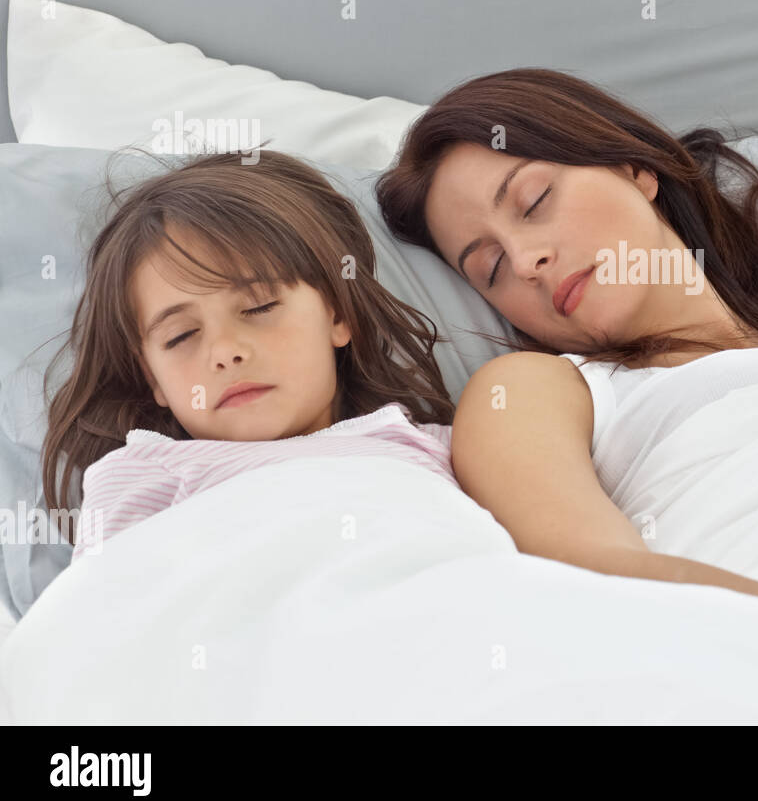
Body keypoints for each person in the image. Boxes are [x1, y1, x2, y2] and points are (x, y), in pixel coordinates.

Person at [42, 149, 456, 559]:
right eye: (181, 336)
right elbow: (104, 613)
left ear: (338, 314)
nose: (225, 352)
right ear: (153, 378)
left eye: (259, 307)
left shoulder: (440, 448)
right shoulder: (145, 475)